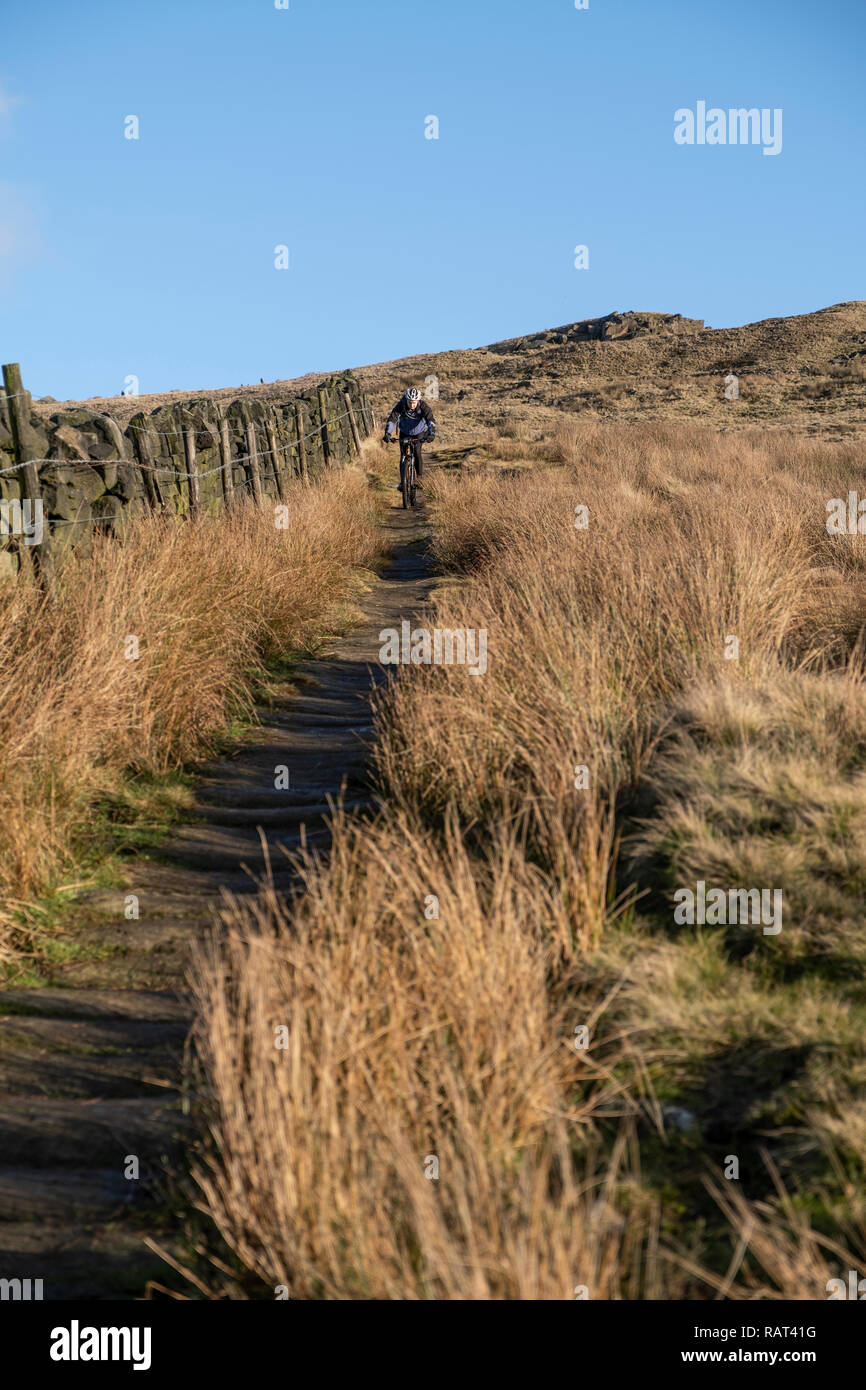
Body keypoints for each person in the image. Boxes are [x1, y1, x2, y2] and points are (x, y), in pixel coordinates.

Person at [383, 387, 436, 488]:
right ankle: (403, 483)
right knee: (403, 456)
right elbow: (392, 419)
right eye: (410, 402)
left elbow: (430, 420)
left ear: (418, 400)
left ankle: (419, 480)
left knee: (417, 453)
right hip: (404, 432)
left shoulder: (424, 407)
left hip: (419, 433)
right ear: (406, 400)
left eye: (414, 403)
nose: (412, 405)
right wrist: (388, 433)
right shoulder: (401, 405)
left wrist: (431, 433)